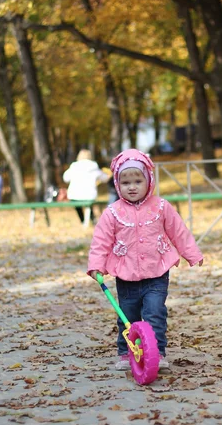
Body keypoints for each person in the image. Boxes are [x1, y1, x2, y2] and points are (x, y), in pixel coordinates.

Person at [87, 149, 203, 371]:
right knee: (127, 316)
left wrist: (192, 254)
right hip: (126, 274)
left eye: (137, 181)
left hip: (157, 272)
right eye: (125, 182)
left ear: (149, 180)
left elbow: (178, 231)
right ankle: (125, 352)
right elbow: (101, 240)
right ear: (117, 184)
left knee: (155, 312)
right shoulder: (112, 212)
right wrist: (96, 265)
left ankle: (157, 352)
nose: (132, 187)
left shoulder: (161, 207)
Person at [62, 149, 109, 226]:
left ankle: (83, 220)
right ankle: (91, 220)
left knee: (77, 204)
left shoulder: (74, 166)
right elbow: (104, 178)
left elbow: (65, 178)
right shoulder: (93, 166)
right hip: (89, 195)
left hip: (74, 195)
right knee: (89, 205)